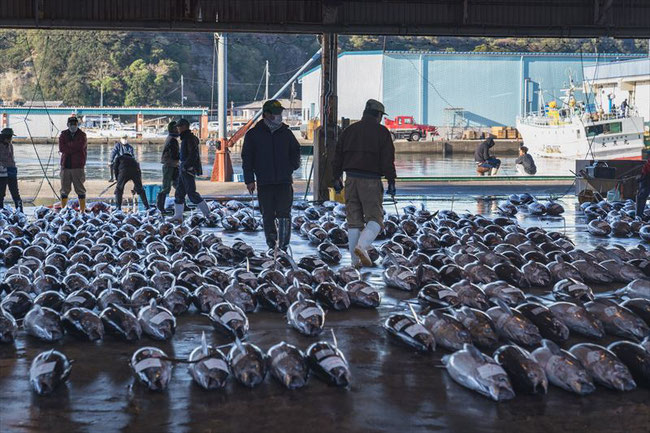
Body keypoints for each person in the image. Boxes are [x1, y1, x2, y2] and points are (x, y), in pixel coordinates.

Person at [332, 99, 396, 267]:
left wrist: (336, 177)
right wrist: (391, 181)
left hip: (350, 180)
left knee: (353, 220)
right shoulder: (382, 132)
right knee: (375, 218)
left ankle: (355, 263)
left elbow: (337, 157)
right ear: (378, 115)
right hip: (371, 181)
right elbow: (388, 160)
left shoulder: (349, 131)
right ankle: (362, 246)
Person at [241, 100, 301, 250]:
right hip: (264, 182)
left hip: (284, 181)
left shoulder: (286, 133)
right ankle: (271, 244)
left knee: (284, 214)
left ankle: (283, 245)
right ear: (266, 114)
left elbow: (296, 151)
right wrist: (249, 179)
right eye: (276, 113)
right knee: (267, 214)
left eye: (280, 113)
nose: (279, 116)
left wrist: (292, 167)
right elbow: (247, 158)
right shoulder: (253, 134)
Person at [171, 118, 211, 223]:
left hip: (187, 170)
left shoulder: (189, 139)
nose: (178, 129)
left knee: (192, 194)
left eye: (179, 127)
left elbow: (193, 155)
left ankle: (208, 215)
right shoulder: (186, 138)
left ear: (184, 127)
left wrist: (186, 166)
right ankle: (178, 216)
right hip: (183, 169)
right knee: (179, 193)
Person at [59, 116, 87, 211]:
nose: (73, 126)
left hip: (78, 166)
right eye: (71, 124)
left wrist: (68, 147)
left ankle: (82, 211)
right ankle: (63, 210)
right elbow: (61, 148)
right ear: (68, 125)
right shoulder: (63, 134)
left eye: (75, 124)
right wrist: (72, 147)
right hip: (65, 166)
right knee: (64, 189)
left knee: (80, 189)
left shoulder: (82, 135)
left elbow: (80, 146)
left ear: (77, 125)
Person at [158, 121, 180, 212]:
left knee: (178, 186)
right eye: (176, 128)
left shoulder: (170, 138)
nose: (178, 129)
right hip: (169, 166)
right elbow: (174, 155)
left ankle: (181, 204)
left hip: (172, 165)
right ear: (173, 129)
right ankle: (160, 207)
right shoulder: (172, 140)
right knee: (166, 188)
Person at [0, 128, 22, 212]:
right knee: (1, 193)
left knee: (15, 193)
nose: (10, 139)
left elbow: (11, 158)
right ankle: (1, 212)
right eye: (9, 137)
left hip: (12, 170)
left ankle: (20, 211)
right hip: (2, 172)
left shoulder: (10, 145)